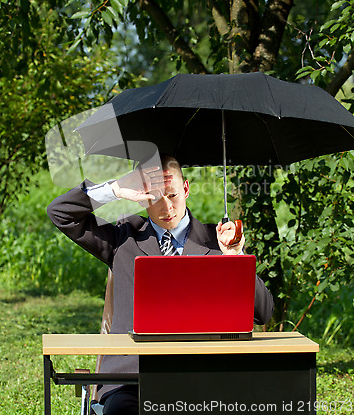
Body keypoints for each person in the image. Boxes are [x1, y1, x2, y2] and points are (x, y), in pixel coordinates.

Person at [47, 154, 274, 415]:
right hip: (131, 379)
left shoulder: (217, 241)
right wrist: (114, 189)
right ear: (142, 196)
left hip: (201, 376)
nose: (166, 208)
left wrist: (234, 259)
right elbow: (60, 213)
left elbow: (263, 313)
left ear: (186, 189)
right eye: (154, 197)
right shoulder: (123, 238)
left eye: (172, 195)